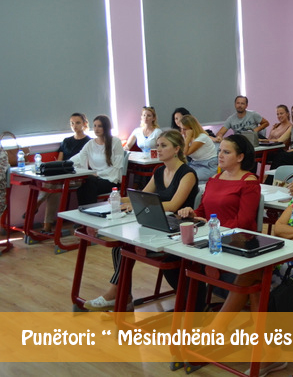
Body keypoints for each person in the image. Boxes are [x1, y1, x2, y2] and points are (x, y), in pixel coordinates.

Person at [205, 148, 293, 345]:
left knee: (255, 273)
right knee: (254, 271)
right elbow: (278, 229)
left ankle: (228, 329)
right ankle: (259, 338)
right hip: (290, 254)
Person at [83, 130, 200, 311]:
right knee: (119, 247)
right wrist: (118, 199)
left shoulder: (187, 173)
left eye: (163, 146)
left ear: (177, 149)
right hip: (158, 224)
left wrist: (137, 204)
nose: (158, 149)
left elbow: (174, 205)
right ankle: (122, 294)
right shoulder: (159, 171)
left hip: (178, 230)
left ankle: (117, 294)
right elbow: (143, 196)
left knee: (123, 249)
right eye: (158, 145)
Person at [177, 134, 261, 230]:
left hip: (236, 236)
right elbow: (203, 211)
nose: (220, 155)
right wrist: (192, 214)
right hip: (211, 232)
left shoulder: (249, 182)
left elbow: (244, 222)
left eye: (226, 152)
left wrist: (214, 228)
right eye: (219, 151)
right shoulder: (215, 178)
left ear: (240, 157)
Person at [34, 113, 91, 232]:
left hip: (77, 176)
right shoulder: (66, 141)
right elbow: (59, 161)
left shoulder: (89, 142)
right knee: (54, 188)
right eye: (72, 123)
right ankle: (47, 226)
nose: (74, 126)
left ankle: (38, 204)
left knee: (54, 186)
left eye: (78, 123)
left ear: (84, 124)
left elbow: (87, 163)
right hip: (63, 174)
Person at [71, 115, 125, 206]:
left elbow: (117, 168)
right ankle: (84, 210)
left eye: (99, 126)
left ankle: (89, 211)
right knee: (84, 183)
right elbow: (79, 158)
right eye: (95, 126)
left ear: (106, 127)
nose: (96, 129)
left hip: (111, 180)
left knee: (89, 183)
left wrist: (97, 174)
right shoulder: (90, 144)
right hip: (95, 179)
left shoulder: (115, 142)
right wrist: (64, 165)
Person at [179, 115, 218, 182]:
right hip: (194, 163)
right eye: (181, 128)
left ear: (192, 129)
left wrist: (187, 138)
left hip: (208, 166)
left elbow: (185, 153)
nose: (182, 132)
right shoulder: (185, 137)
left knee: (188, 177)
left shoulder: (202, 137)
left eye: (184, 129)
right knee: (179, 175)